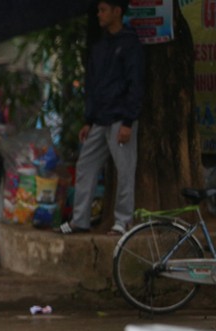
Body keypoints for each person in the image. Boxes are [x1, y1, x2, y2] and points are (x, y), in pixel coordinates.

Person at [57, 0, 144, 236]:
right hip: (100, 119)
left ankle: (123, 220)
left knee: (125, 168)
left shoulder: (130, 44)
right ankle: (80, 220)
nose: (99, 14)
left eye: (103, 10)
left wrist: (128, 121)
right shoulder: (100, 46)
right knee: (85, 165)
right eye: (98, 10)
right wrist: (88, 119)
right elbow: (93, 85)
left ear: (117, 12)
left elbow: (135, 84)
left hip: (120, 119)